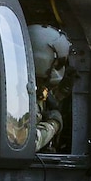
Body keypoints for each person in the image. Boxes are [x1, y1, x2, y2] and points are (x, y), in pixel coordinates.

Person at [28, 23, 70, 151]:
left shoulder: (34, 88)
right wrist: (54, 124)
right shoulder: (21, 95)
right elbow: (27, 142)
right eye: (58, 64)